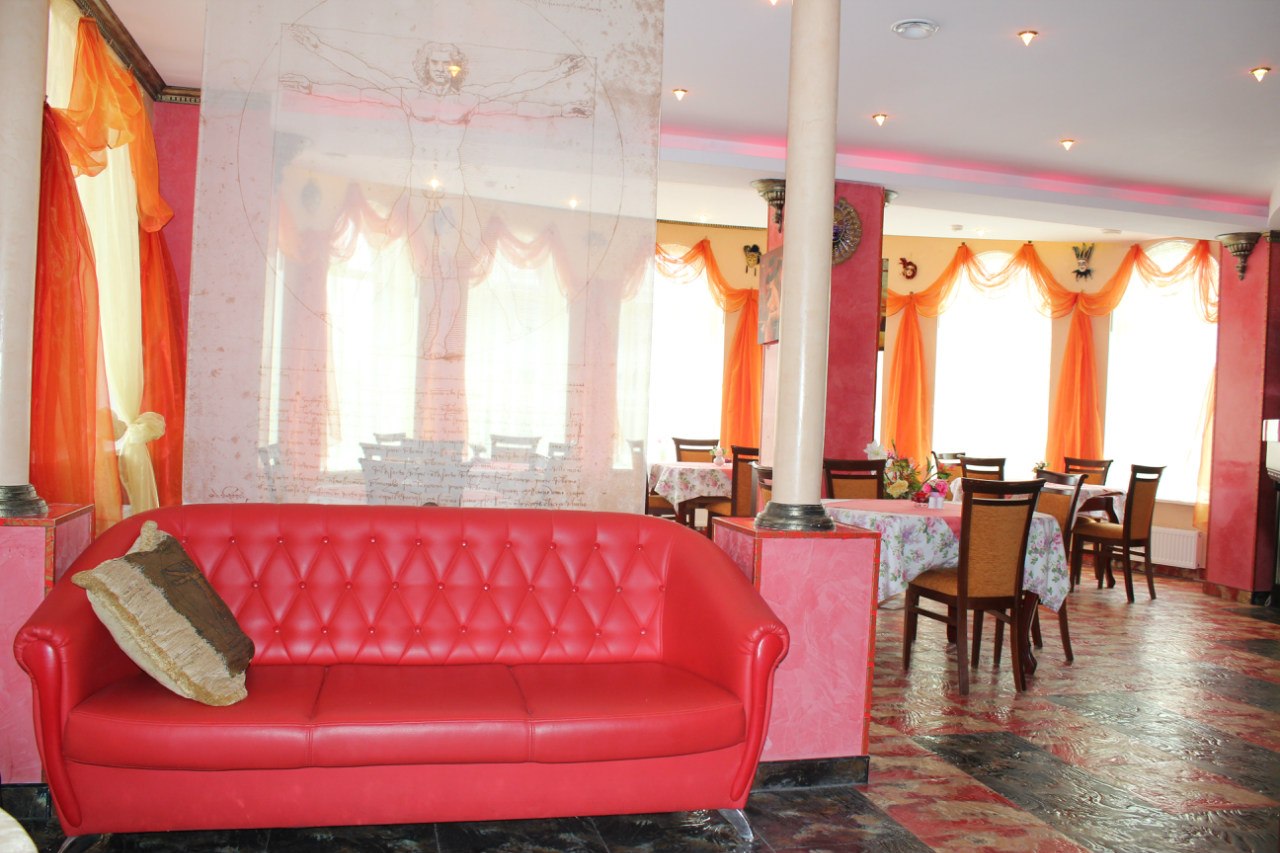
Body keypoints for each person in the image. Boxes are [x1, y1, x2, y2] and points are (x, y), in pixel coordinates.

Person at [283, 26, 592, 358]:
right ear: (425, 66)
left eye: (448, 64)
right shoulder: (408, 94)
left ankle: (444, 341)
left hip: (455, 190)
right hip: (416, 188)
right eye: (435, 63)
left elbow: (515, 96)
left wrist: (561, 92)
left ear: (457, 68)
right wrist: (313, 71)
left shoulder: (467, 101)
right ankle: (420, 338)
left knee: (452, 271)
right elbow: (362, 79)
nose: (442, 70)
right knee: (412, 267)